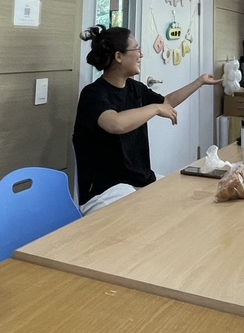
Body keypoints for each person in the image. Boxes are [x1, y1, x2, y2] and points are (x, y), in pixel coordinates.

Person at [73, 25, 218, 210]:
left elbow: (166, 102)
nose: (141, 55)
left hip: (140, 181)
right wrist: (155, 108)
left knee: (186, 199)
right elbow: (115, 124)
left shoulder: (135, 88)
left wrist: (199, 82)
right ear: (118, 56)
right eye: (136, 49)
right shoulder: (93, 93)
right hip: (104, 191)